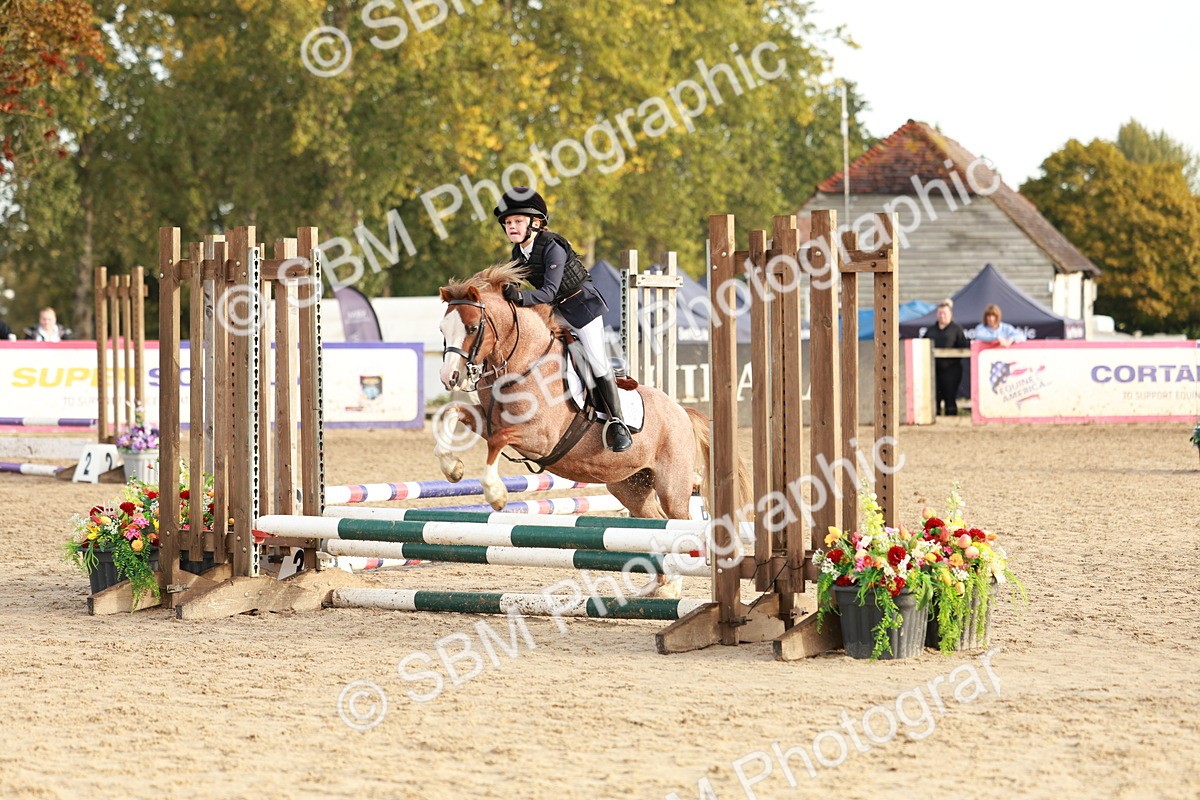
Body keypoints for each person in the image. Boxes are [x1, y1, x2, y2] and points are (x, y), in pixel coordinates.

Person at [493, 186, 633, 452]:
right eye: (508, 222)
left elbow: (547, 292)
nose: (511, 227)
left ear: (536, 223)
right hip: (555, 312)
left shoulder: (552, 246)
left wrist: (520, 297)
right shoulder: (517, 254)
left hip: (582, 309)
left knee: (595, 359)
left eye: (518, 221)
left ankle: (618, 422)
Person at [923, 300, 968, 416]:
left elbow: (964, 348)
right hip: (934, 370)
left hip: (952, 370)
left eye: (945, 313)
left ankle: (951, 421)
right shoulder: (931, 330)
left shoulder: (956, 329)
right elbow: (922, 345)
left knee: (950, 396)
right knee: (934, 397)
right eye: (940, 313)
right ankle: (935, 419)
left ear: (950, 315)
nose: (942, 316)